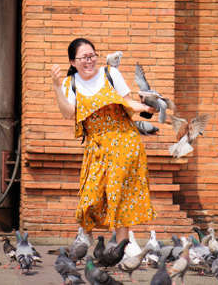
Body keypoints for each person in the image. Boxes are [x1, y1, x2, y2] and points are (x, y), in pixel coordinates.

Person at [51, 38, 157, 244]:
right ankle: (87, 232)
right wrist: (56, 87)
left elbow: (127, 101)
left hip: (124, 142)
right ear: (73, 62)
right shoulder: (70, 83)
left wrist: (146, 108)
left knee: (120, 198)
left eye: (92, 56)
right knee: (90, 196)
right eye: (84, 57)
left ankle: (122, 250)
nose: (89, 61)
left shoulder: (110, 74)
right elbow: (68, 113)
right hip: (96, 146)